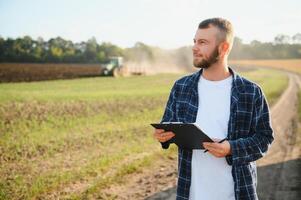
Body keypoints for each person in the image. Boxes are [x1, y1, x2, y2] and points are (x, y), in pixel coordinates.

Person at [153, 18, 274, 200]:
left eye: (203, 42)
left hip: (238, 193)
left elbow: (264, 139)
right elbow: (168, 124)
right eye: (195, 41)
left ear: (224, 48)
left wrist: (231, 148)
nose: (194, 47)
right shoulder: (181, 87)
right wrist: (163, 136)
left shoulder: (250, 92)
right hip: (191, 194)